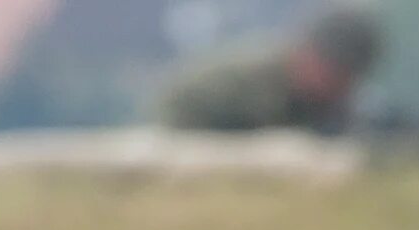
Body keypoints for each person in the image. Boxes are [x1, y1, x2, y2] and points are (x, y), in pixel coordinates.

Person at [156, 6, 383, 135]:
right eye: (334, 74)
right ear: (308, 54)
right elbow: (172, 118)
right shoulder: (236, 82)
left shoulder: (330, 105)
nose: (338, 88)